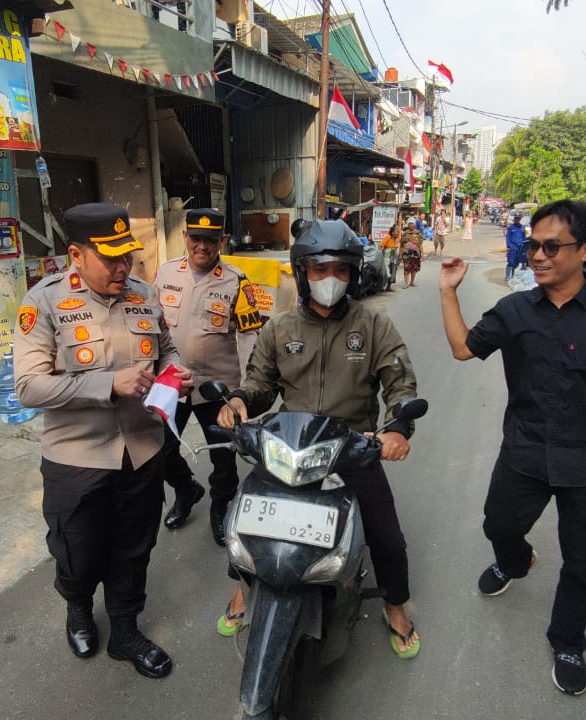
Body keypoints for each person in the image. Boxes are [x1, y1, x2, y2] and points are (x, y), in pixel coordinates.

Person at [437, 200, 586, 696]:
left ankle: (568, 639)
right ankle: (515, 560)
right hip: (524, 450)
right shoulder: (515, 310)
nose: (537, 256)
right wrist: (448, 294)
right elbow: (462, 349)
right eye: (533, 246)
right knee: (498, 524)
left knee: (584, 561)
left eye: (550, 247)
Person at [214, 219, 422, 658]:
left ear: (353, 273)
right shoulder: (280, 327)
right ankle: (243, 587)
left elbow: (400, 382)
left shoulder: (374, 325)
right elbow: (259, 383)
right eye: (321, 269)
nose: (331, 279)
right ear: (303, 271)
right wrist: (238, 402)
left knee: (387, 538)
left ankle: (396, 605)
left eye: (341, 270)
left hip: (352, 448)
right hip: (291, 446)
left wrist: (399, 427)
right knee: (249, 521)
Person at [13, 203, 191, 680]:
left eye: (127, 257)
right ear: (75, 254)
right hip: (77, 458)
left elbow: (168, 348)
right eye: (109, 258)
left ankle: (126, 632)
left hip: (143, 450)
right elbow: (28, 386)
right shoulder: (44, 303)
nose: (121, 268)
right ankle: (77, 607)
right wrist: (105, 384)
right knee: (78, 553)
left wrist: (175, 373)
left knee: (134, 547)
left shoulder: (145, 295)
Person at [153, 208, 260, 544]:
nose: (202, 246)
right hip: (173, 383)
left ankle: (220, 508)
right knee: (160, 451)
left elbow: (249, 338)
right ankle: (187, 489)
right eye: (195, 238)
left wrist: (245, 391)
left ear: (222, 241)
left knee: (223, 457)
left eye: (210, 240)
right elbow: (152, 329)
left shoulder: (237, 281)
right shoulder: (166, 273)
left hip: (219, 387)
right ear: (185, 237)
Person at [504, 213, 528, 281]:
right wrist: (508, 246)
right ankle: (507, 276)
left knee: (516, 263)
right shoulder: (511, 227)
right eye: (516, 218)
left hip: (520, 246)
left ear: (520, 219)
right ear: (514, 219)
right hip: (513, 246)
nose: (517, 219)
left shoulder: (523, 227)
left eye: (518, 218)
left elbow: (524, 237)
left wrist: (524, 246)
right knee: (511, 262)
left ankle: (513, 276)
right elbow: (508, 237)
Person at [380, 222, 400, 289]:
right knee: (387, 270)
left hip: (393, 255)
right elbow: (380, 245)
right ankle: (384, 286)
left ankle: (389, 286)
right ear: (392, 232)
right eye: (397, 231)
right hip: (388, 255)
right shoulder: (388, 237)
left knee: (393, 270)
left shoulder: (395, 239)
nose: (398, 233)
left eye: (398, 231)